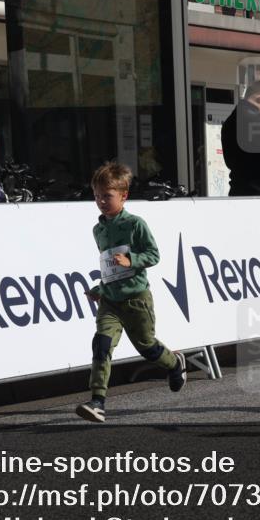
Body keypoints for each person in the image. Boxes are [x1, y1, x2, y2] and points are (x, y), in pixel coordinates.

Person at [76, 162, 187, 423]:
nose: (101, 201)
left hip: (136, 300)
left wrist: (132, 260)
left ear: (123, 195)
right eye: (97, 196)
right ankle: (97, 401)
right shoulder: (98, 230)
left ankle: (175, 364)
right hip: (110, 301)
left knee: (147, 346)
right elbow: (109, 267)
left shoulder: (136, 224)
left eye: (107, 196)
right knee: (101, 345)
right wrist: (100, 288)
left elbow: (153, 255)